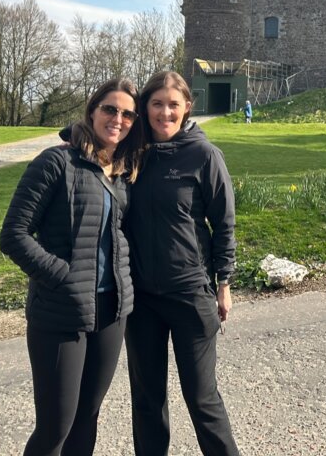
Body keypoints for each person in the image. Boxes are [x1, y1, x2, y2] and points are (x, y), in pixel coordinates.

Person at [0, 79, 141, 456]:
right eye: (110, 109)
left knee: (87, 418)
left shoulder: (125, 172)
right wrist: (63, 277)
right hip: (61, 314)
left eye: (127, 113)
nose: (118, 119)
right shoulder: (56, 162)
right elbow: (13, 235)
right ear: (92, 110)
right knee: (55, 428)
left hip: (111, 312)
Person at [126, 70, 240, 456]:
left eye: (173, 104)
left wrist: (223, 284)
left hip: (190, 293)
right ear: (145, 107)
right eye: (156, 103)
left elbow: (224, 222)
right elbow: (86, 140)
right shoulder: (131, 152)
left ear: (187, 107)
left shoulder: (203, 154)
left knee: (202, 399)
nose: (165, 112)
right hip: (141, 299)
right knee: (146, 400)